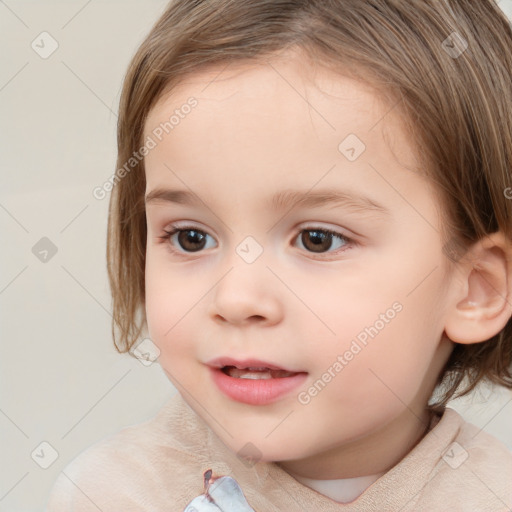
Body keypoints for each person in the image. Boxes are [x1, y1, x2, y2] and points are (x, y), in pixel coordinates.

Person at [46, 0, 512, 510]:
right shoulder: (112, 496)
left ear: (475, 289)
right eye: (191, 237)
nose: (237, 297)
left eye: (318, 239)